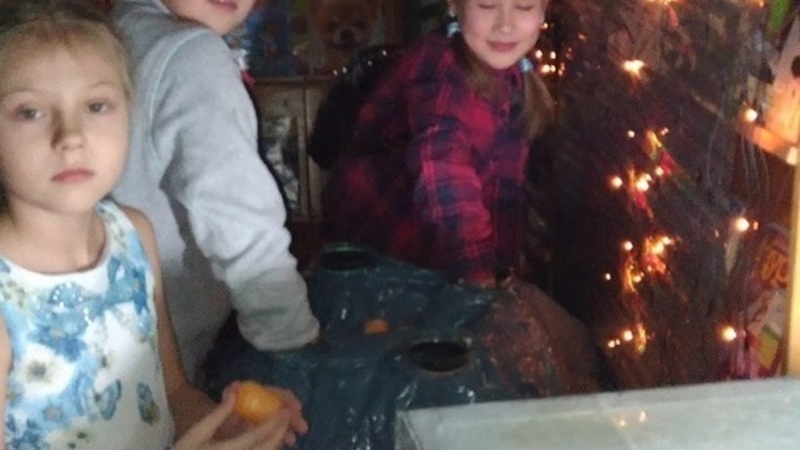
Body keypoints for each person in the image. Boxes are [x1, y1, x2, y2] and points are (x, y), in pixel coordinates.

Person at [0, 1, 306, 448]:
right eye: (29, 112)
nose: (71, 137)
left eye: (97, 105)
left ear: (130, 110)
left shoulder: (133, 237)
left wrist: (228, 424)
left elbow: (172, 395)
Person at [109, 0, 320, 383]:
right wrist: (291, 340)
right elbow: (238, 219)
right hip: (162, 364)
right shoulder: (191, 53)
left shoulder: (115, 32)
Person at [321, 0, 554, 288]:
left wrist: (501, 269)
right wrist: (477, 270)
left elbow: (504, 190)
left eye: (524, 6)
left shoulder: (515, 75)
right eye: (487, 5)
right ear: (454, 6)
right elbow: (443, 164)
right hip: (388, 264)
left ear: (542, 12)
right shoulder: (439, 63)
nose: (505, 25)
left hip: (436, 263)